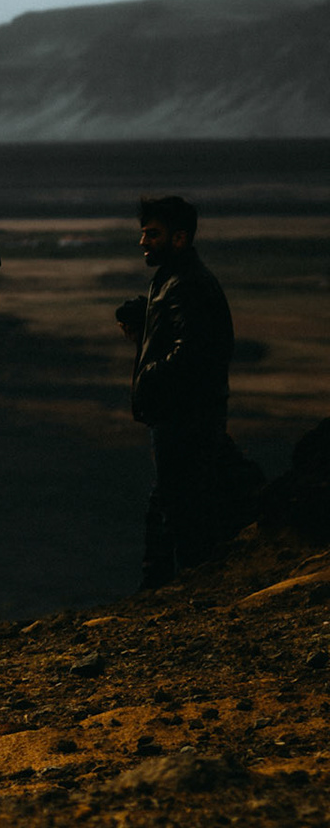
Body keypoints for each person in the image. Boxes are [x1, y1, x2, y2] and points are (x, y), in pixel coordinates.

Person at [116, 195, 252, 586]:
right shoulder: (175, 280)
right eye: (143, 233)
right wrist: (141, 315)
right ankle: (160, 594)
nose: (143, 242)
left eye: (152, 234)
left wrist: (150, 377)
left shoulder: (186, 284)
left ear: (179, 238)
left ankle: (186, 592)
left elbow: (195, 351)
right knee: (168, 505)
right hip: (182, 417)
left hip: (183, 420)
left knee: (179, 509)